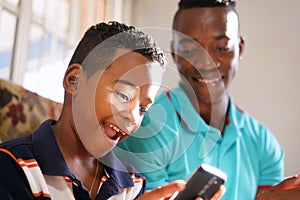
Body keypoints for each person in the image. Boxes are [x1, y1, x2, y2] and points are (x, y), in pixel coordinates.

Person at [0, 21, 195, 200]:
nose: (133, 117)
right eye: (123, 95)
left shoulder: (132, 185)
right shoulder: (12, 167)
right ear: (74, 81)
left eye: (143, 108)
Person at [115, 0, 284, 199]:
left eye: (221, 47)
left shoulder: (264, 145)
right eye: (189, 49)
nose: (206, 63)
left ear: (240, 48)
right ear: (175, 53)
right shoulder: (147, 129)